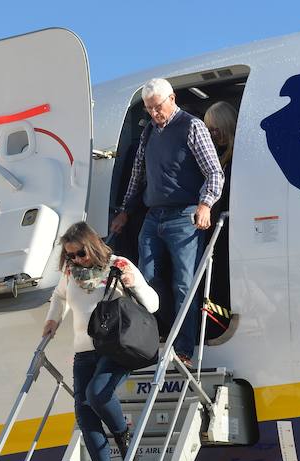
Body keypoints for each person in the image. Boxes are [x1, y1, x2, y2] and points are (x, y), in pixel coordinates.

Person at [110, 78, 224, 368]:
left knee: (184, 283)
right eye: (149, 109)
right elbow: (138, 176)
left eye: (157, 107)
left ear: (172, 99)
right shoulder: (149, 133)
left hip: (184, 215)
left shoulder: (192, 127)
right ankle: (164, 332)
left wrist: (205, 204)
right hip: (153, 214)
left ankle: (184, 347)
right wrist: (124, 211)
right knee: (144, 277)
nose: (153, 113)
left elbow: (214, 172)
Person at [43, 222, 159, 461]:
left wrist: (134, 286)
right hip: (83, 351)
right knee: (85, 414)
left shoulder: (119, 265)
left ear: (92, 245)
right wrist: (52, 319)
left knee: (97, 394)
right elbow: (58, 297)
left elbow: (153, 304)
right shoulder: (71, 273)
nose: (75, 260)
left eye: (80, 253)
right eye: (69, 255)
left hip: (115, 348)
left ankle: (124, 438)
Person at [203, 101, 238, 338]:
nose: (214, 135)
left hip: (228, 231)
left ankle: (219, 326)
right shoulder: (221, 157)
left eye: (216, 129)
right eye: (210, 131)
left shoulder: (235, 157)